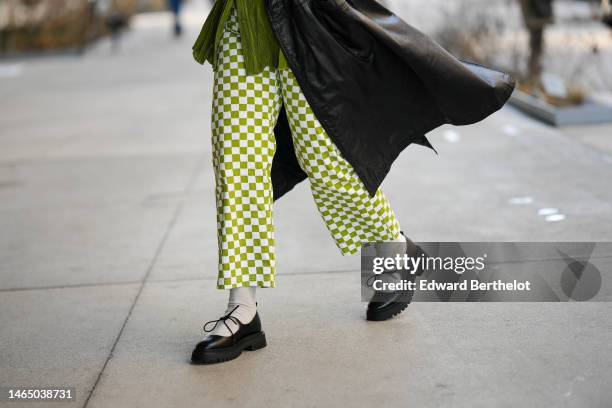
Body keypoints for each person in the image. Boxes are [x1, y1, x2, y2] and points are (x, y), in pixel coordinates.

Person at [190, 0, 515, 365]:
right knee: (236, 164)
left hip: (308, 23)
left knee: (328, 161)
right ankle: (242, 310)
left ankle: (396, 250)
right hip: (243, 24)